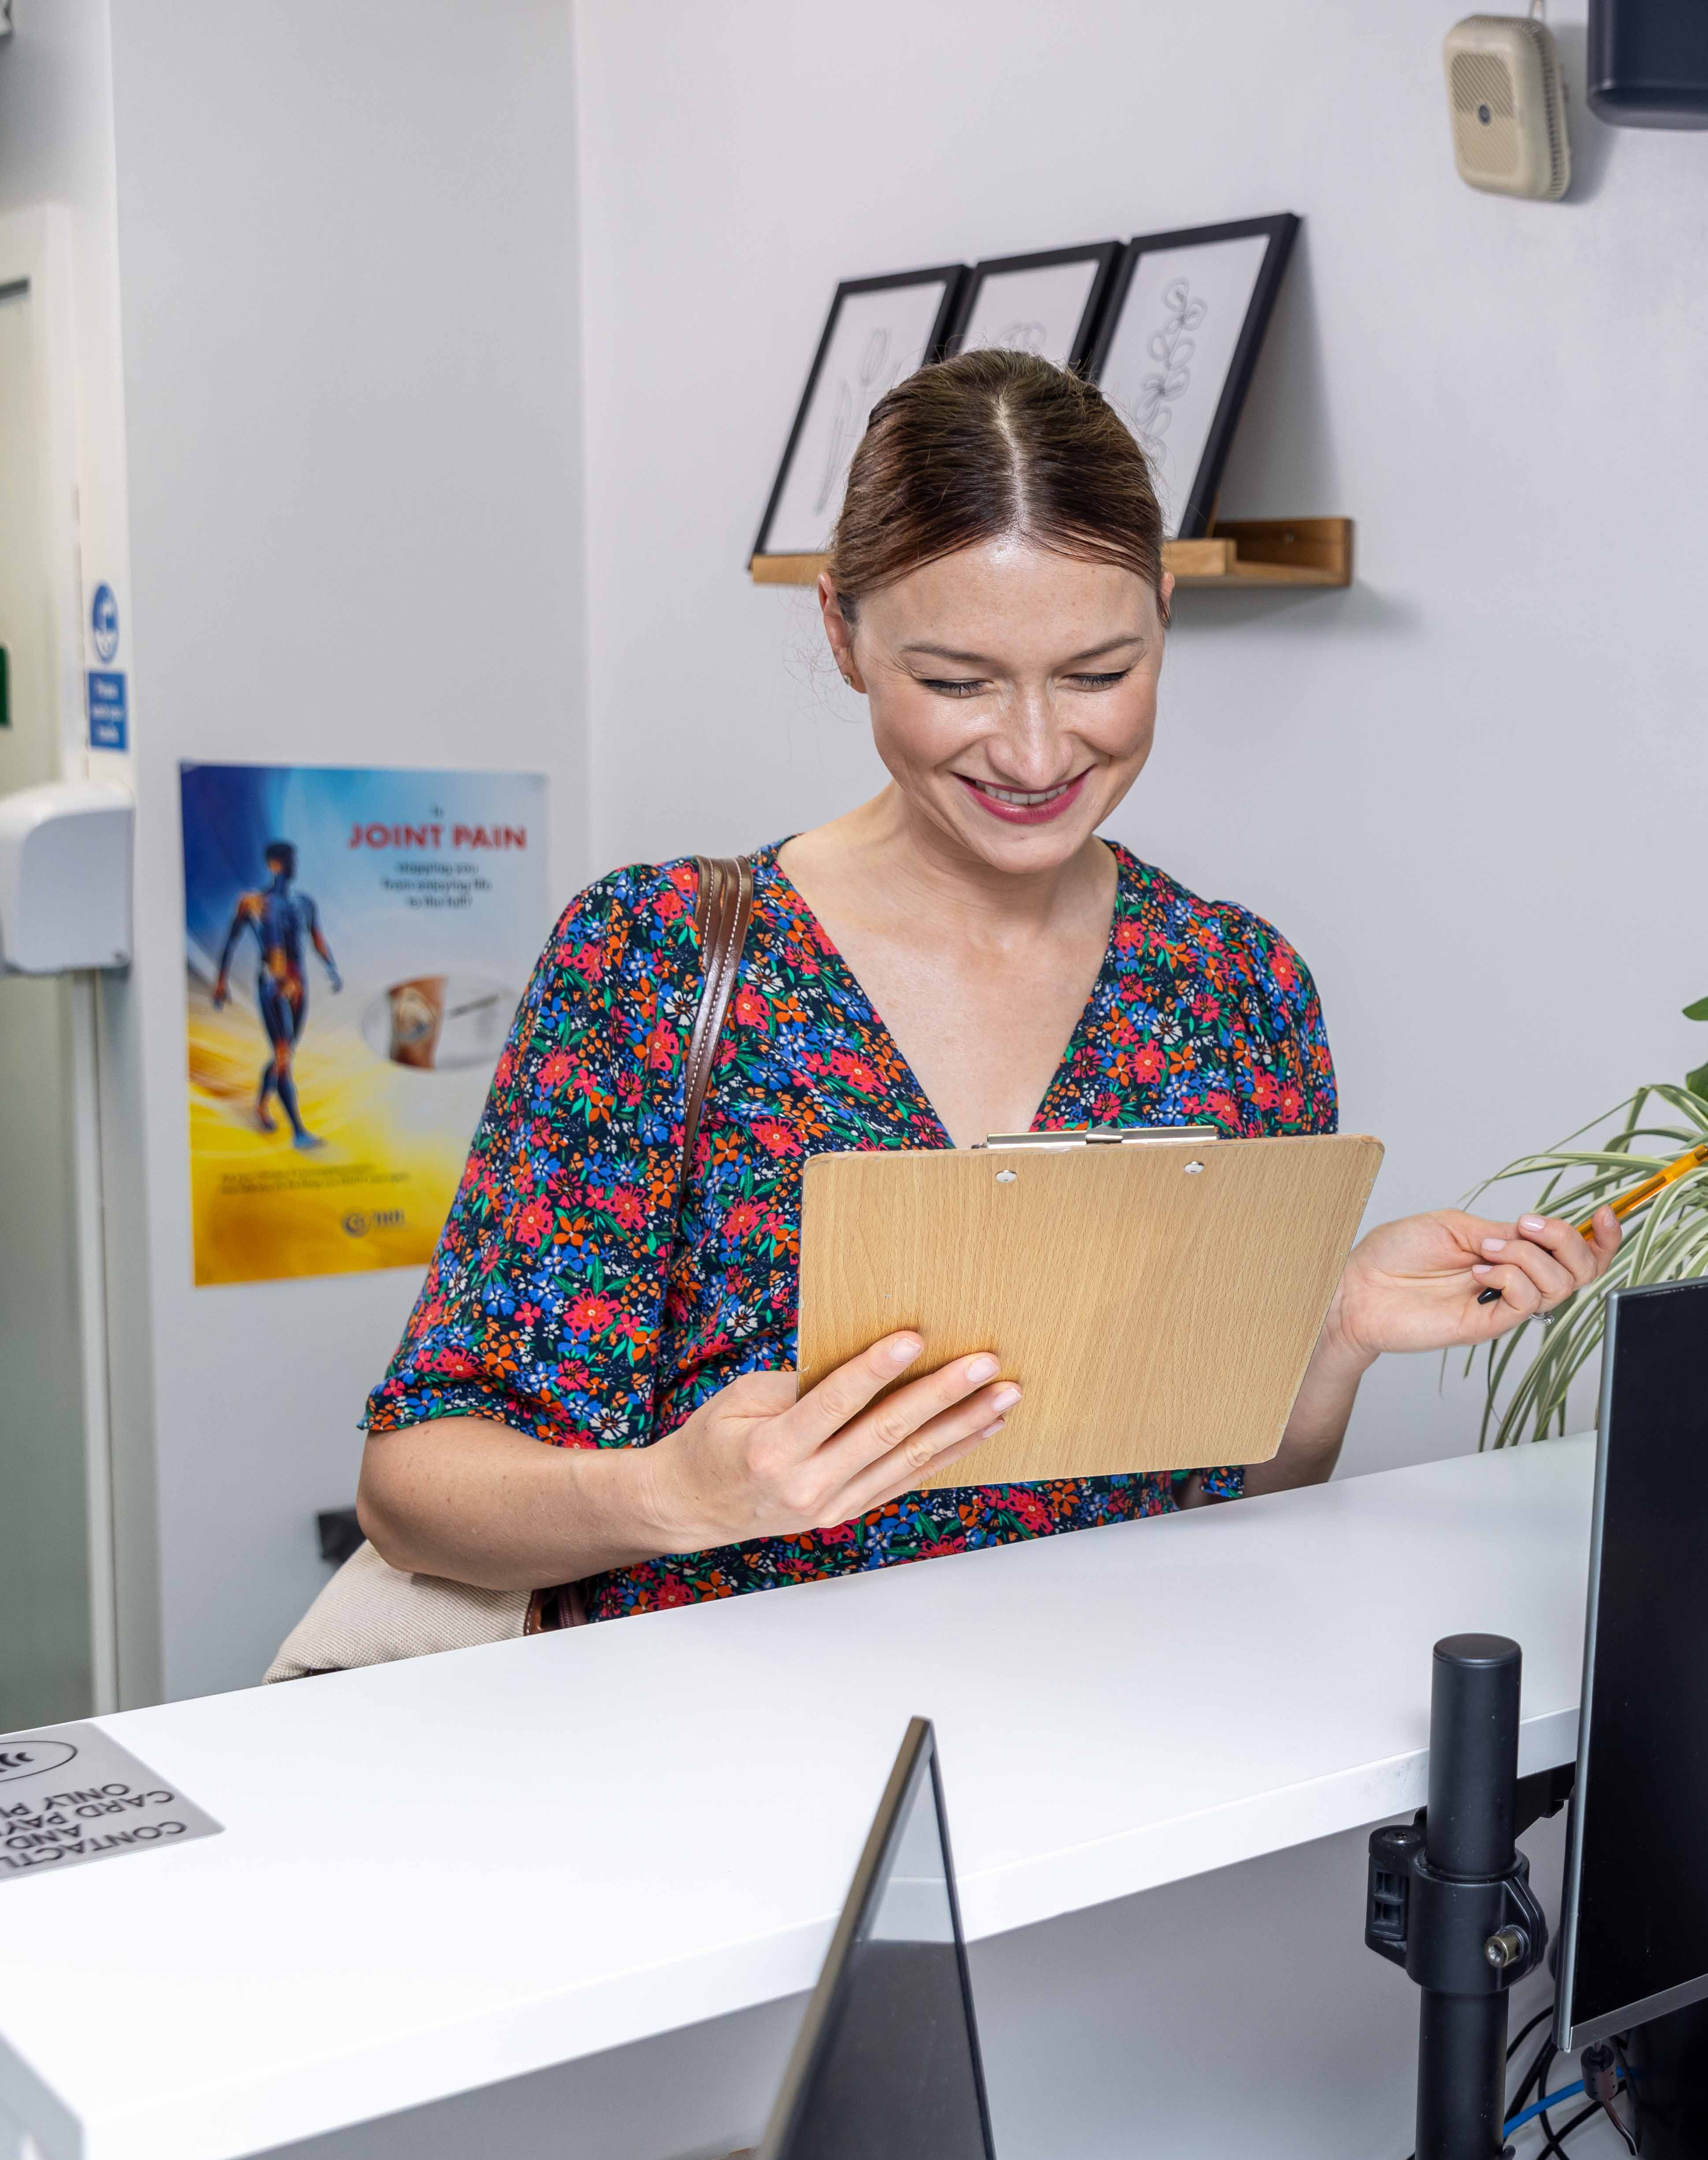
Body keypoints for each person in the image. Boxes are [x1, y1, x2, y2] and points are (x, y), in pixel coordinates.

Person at [355, 349, 1616, 1622]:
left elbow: (1235, 1489)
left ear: (1165, 615)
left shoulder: (1237, 986)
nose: (1031, 750)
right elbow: (413, 1490)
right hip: (728, 1772)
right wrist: (676, 1496)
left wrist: (1331, 1324)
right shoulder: (662, 959)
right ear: (842, 633)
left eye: (1098, 674)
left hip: (1110, 1749)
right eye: (956, 682)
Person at [211, 838, 344, 1149]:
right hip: (272, 982)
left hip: (299, 985)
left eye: (294, 859)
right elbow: (231, 940)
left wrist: (331, 967)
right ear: (274, 864)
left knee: (285, 1055)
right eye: (287, 860)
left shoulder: (305, 903)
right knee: (284, 1053)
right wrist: (221, 982)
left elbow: (317, 938)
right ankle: (298, 1132)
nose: (293, 865)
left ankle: (261, 1105)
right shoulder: (254, 902)